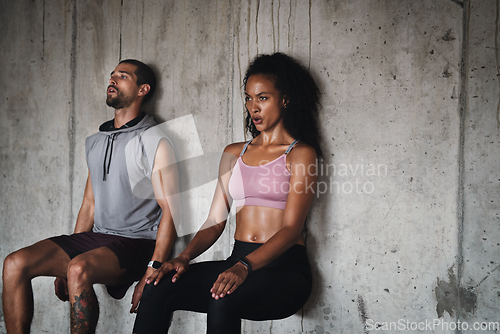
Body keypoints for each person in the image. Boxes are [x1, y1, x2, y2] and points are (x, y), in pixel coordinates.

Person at [132, 52, 322, 334]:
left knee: (222, 297)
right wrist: (183, 257)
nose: (253, 107)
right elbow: (215, 221)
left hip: (284, 270)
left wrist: (244, 266)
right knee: (156, 287)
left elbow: (292, 230)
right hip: (239, 260)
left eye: (263, 97)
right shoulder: (235, 153)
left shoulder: (301, 154)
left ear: (285, 99)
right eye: (248, 98)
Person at [2, 59, 178, 334]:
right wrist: (68, 254)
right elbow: (89, 204)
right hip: (97, 238)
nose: (113, 80)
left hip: (136, 241)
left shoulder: (154, 140)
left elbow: (171, 210)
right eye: (112, 76)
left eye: (123, 76)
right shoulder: (95, 141)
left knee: (78, 269)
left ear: (143, 89)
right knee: (14, 264)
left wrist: (152, 268)